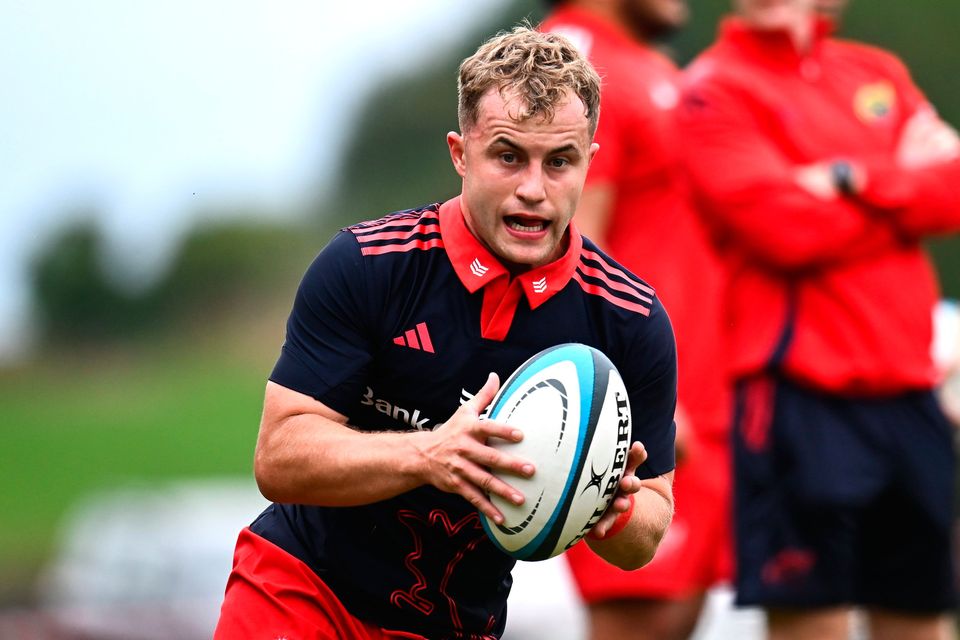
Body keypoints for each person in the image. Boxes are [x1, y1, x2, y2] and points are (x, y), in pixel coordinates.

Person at [214, 26, 679, 640]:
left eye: (559, 162)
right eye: (508, 156)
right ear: (461, 154)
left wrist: (610, 510)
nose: (534, 189)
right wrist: (429, 454)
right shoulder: (367, 265)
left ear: (590, 162)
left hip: (458, 624)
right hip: (303, 593)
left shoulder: (631, 320)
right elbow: (278, 457)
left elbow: (650, 527)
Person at [680, 1, 960, 638]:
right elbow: (786, 230)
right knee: (812, 623)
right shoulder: (711, 91)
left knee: (920, 620)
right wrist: (900, 186)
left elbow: (951, 190)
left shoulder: (876, 71)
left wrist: (846, 178)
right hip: (798, 397)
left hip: (910, 394)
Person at [539, 2, 732, 640]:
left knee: (676, 616)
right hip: (652, 406)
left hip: (701, 396)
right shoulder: (571, 64)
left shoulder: (646, 65)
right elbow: (565, 252)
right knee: (641, 617)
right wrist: (631, 406)